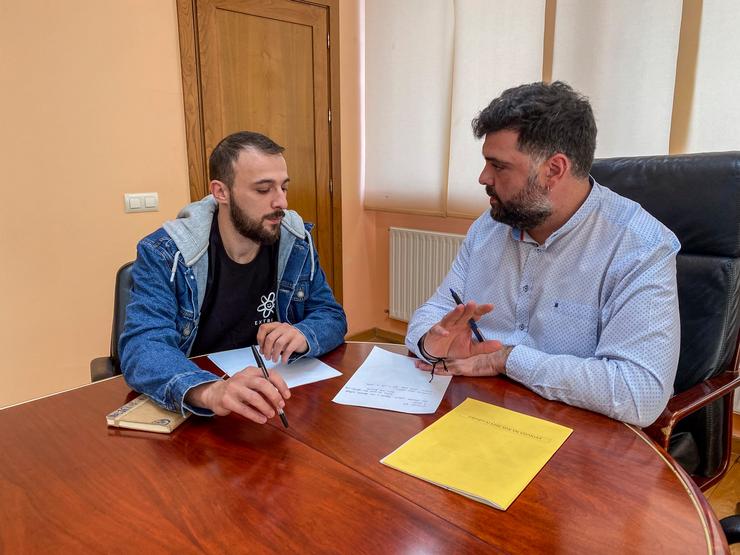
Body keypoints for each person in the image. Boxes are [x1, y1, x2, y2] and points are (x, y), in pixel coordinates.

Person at [406, 81, 680, 427]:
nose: (483, 177)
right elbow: (436, 309)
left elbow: (639, 394)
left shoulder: (640, 246)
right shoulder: (487, 228)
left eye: (499, 166)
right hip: (480, 410)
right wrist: (432, 345)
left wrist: (506, 360)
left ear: (554, 170)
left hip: (581, 433)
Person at [120, 131, 347, 424]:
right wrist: (210, 391)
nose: (282, 203)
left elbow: (330, 314)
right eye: (264, 190)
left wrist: (304, 333)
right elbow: (143, 346)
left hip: (270, 403)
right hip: (198, 407)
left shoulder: (295, 239)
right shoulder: (167, 252)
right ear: (221, 192)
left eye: (283, 188)